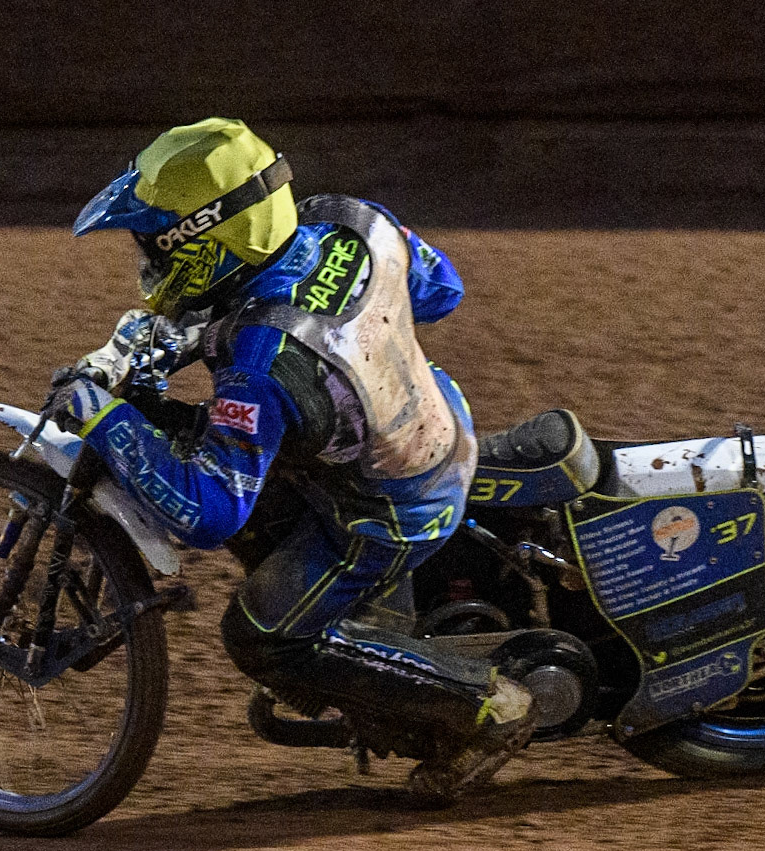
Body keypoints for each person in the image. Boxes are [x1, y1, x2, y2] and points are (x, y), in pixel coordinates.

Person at [52, 117, 534, 801]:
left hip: (390, 505)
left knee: (259, 631)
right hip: (433, 420)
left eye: (154, 246)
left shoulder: (262, 363)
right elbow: (440, 289)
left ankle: (488, 706)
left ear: (204, 241)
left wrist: (102, 417)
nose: (147, 264)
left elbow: (210, 513)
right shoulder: (353, 222)